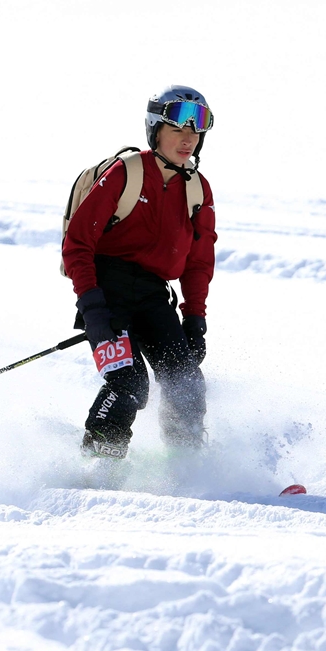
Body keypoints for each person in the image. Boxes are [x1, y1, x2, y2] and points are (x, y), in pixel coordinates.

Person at [62, 85, 218, 459]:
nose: (188, 139)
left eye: (195, 131)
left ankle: (188, 467)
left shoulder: (198, 189)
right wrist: (94, 309)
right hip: (106, 292)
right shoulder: (125, 173)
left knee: (187, 383)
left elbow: (199, 261)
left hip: (152, 295)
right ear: (155, 130)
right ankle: (99, 463)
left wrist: (194, 317)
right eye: (178, 129)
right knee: (129, 382)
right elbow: (77, 245)